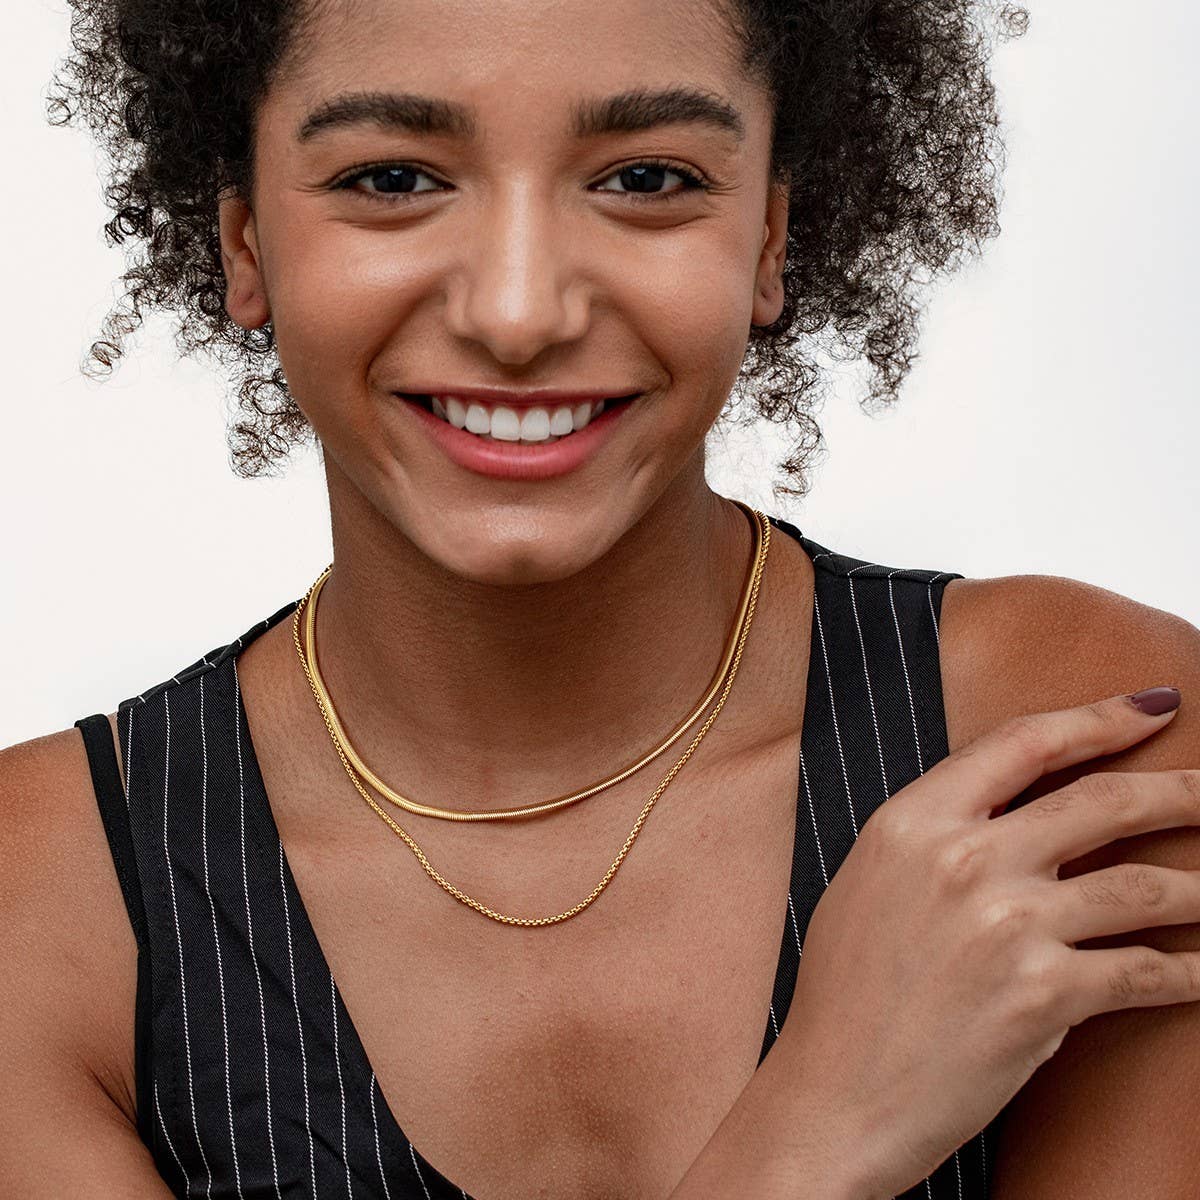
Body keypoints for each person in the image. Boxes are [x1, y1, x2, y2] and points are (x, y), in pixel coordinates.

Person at [2, 1, 1199, 1198]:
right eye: (393, 178)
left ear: (769, 238)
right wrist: (816, 1130)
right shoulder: (44, 896)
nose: (519, 314)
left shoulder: (1065, 746)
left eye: (645, 178)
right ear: (247, 245)